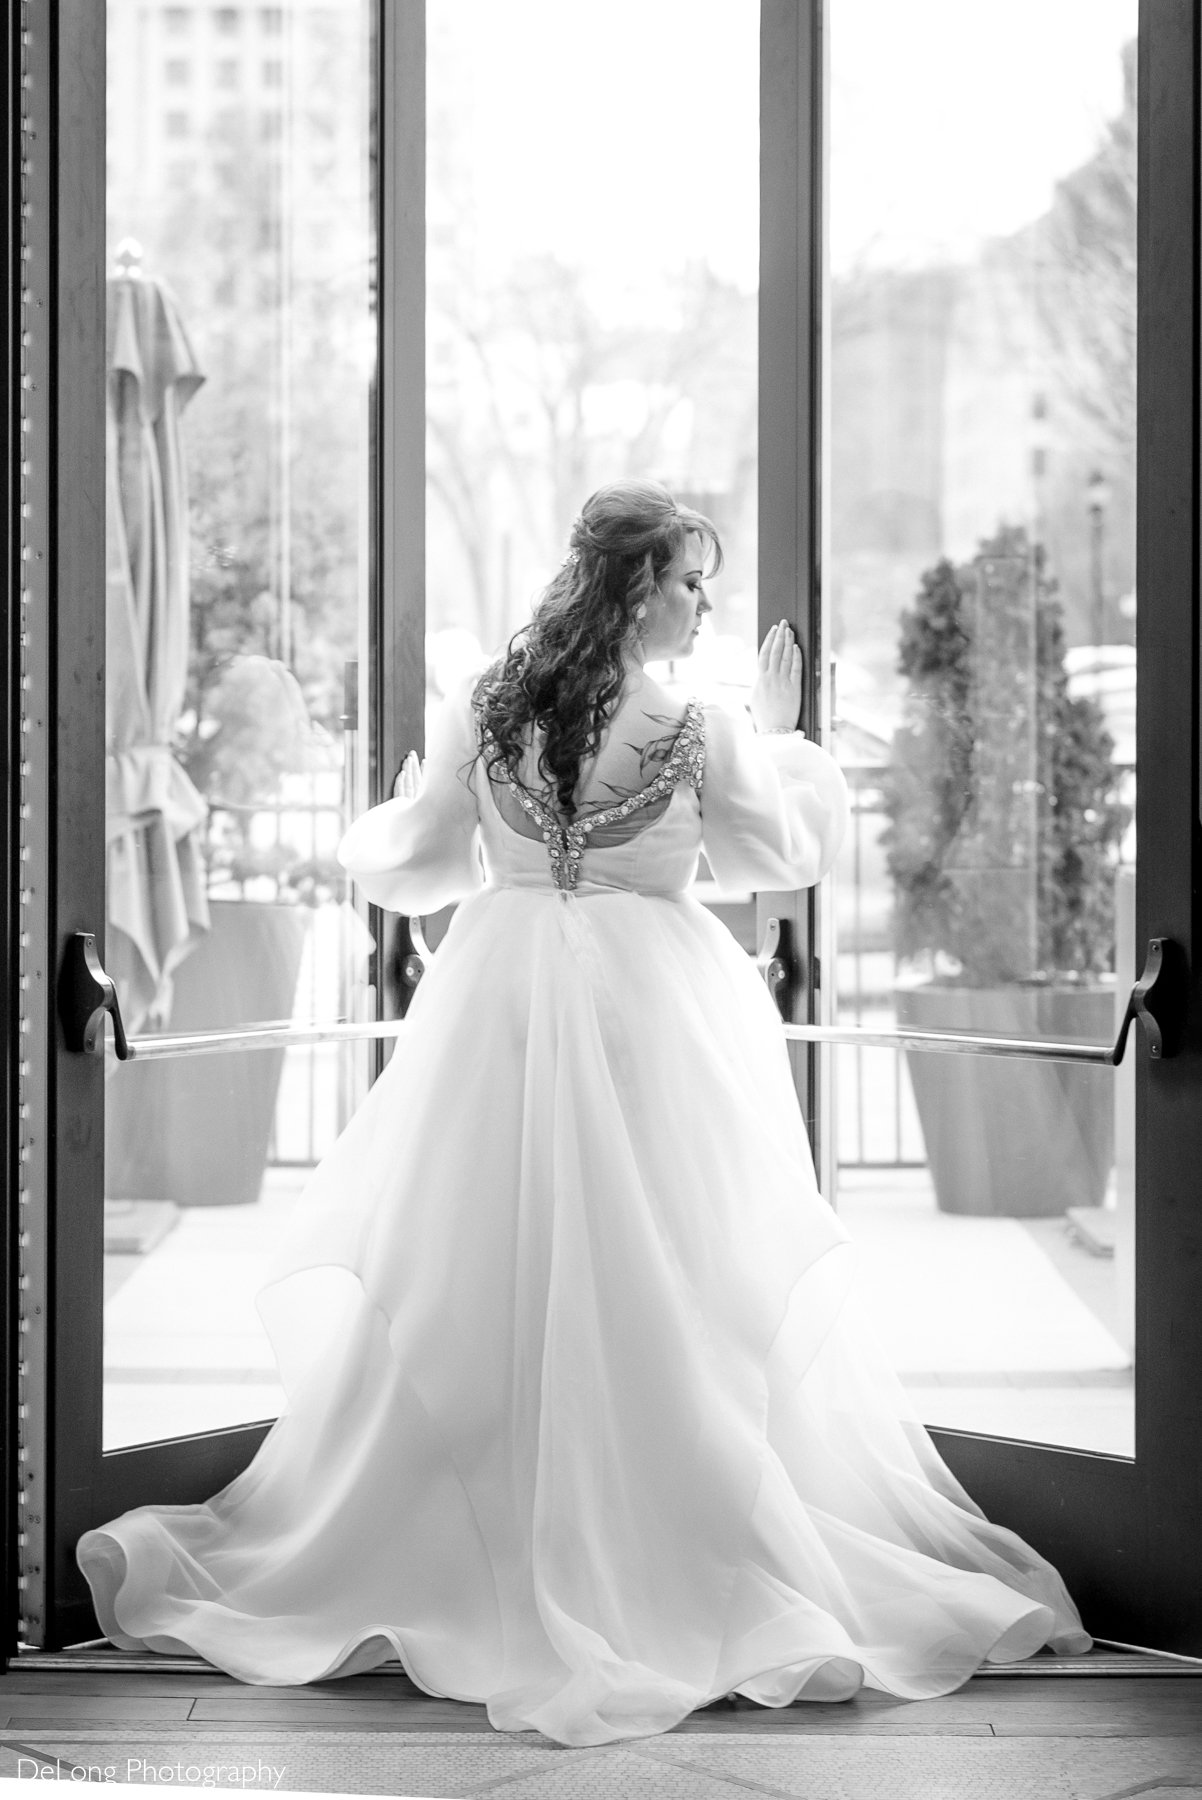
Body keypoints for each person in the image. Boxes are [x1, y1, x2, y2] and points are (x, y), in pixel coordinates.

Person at [78, 479, 1089, 1748]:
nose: (701, 603)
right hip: (652, 1016)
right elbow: (782, 857)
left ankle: (472, 1547)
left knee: (488, 1269)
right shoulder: (700, 729)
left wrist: (392, 806)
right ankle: (657, 1540)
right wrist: (779, 739)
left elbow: (413, 864)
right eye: (686, 579)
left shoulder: (489, 711)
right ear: (632, 585)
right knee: (656, 1275)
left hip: (494, 1004)